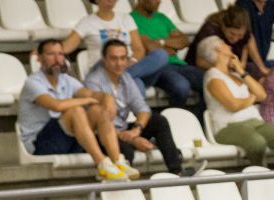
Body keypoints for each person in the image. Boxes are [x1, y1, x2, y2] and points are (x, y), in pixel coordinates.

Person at [17, 39, 129, 181]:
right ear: (39, 58)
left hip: (68, 140)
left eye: (60, 54)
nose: (57, 59)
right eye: (51, 54)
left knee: (97, 111)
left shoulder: (66, 79)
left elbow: (93, 94)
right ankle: (101, 162)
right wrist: (86, 100)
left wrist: (107, 98)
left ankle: (117, 161)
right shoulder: (32, 83)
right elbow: (56, 105)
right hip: (40, 145)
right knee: (76, 110)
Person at [85, 40, 195, 178]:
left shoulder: (125, 77)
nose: (119, 63)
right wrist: (132, 140)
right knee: (125, 150)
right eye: (114, 58)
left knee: (158, 120)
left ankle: (176, 171)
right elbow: (100, 123)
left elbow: (142, 108)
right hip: (101, 135)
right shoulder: (93, 81)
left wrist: (137, 130)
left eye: (122, 58)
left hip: (124, 130)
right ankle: (125, 185)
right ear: (104, 59)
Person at [201, 36, 274, 168]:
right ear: (218, 49)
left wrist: (241, 71)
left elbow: (262, 95)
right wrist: (252, 97)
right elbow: (233, 105)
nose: (229, 46)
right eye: (224, 44)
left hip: (256, 122)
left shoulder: (236, 74)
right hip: (229, 126)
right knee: (257, 143)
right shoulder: (213, 77)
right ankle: (260, 176)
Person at [63, 0, 169, 91]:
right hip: (103, 68)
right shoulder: (87, 22)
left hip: (127, 65)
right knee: (136, 84)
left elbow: (138, 49)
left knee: (161, 55)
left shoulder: (125, 18)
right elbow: (66, 47)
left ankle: (120, 78)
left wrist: (129, 63)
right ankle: (116, 78)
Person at [131, 0, 205, 111]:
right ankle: (173, 122)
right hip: (157, 68)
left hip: (179, 64)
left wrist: (161, 42)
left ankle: (198, 120)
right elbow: (150, 48)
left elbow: (184, 40)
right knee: (181, 87)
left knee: (211, 81)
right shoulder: (131, 19)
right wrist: (170, 45)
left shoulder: (162, 18)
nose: (158, 2)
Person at [188, 5, 269, 81]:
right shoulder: (210, 31)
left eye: (240, 35)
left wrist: (242, 64)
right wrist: (226, 70)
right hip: (205, 68)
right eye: (232, 34)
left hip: (232, 66)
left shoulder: (245, 32)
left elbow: (246, 44)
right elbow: (200, 62)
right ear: (223, 26)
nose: (235, 38)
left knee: (255, 69)